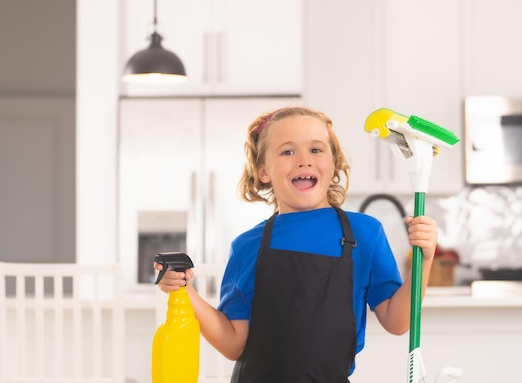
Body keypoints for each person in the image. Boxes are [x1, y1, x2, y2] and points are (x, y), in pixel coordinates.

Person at [154, 106, 438, 383]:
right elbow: (233, 344)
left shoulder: (365, 233)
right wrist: (185, 290)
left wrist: (424, 261)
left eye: (315, 150)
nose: (304, 160)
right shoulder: (247, 246)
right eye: (288, 151)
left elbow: (397, 321)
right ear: (263, 170)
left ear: (334, 162)